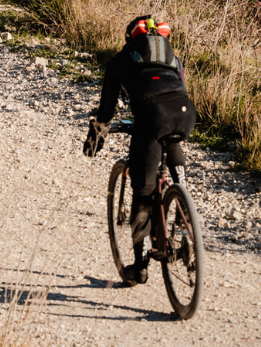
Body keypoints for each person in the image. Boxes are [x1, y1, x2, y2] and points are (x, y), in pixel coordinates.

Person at [83, 15, 196, 285]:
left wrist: (98, 132)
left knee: (143, 190)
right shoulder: (173, 59)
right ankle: (184, 211)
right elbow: (176, 88)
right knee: (170, 142)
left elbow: (107, 108)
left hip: (151, 117)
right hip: (184, 113)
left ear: (130, 38)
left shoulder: (122, 59)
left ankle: (139, 266)